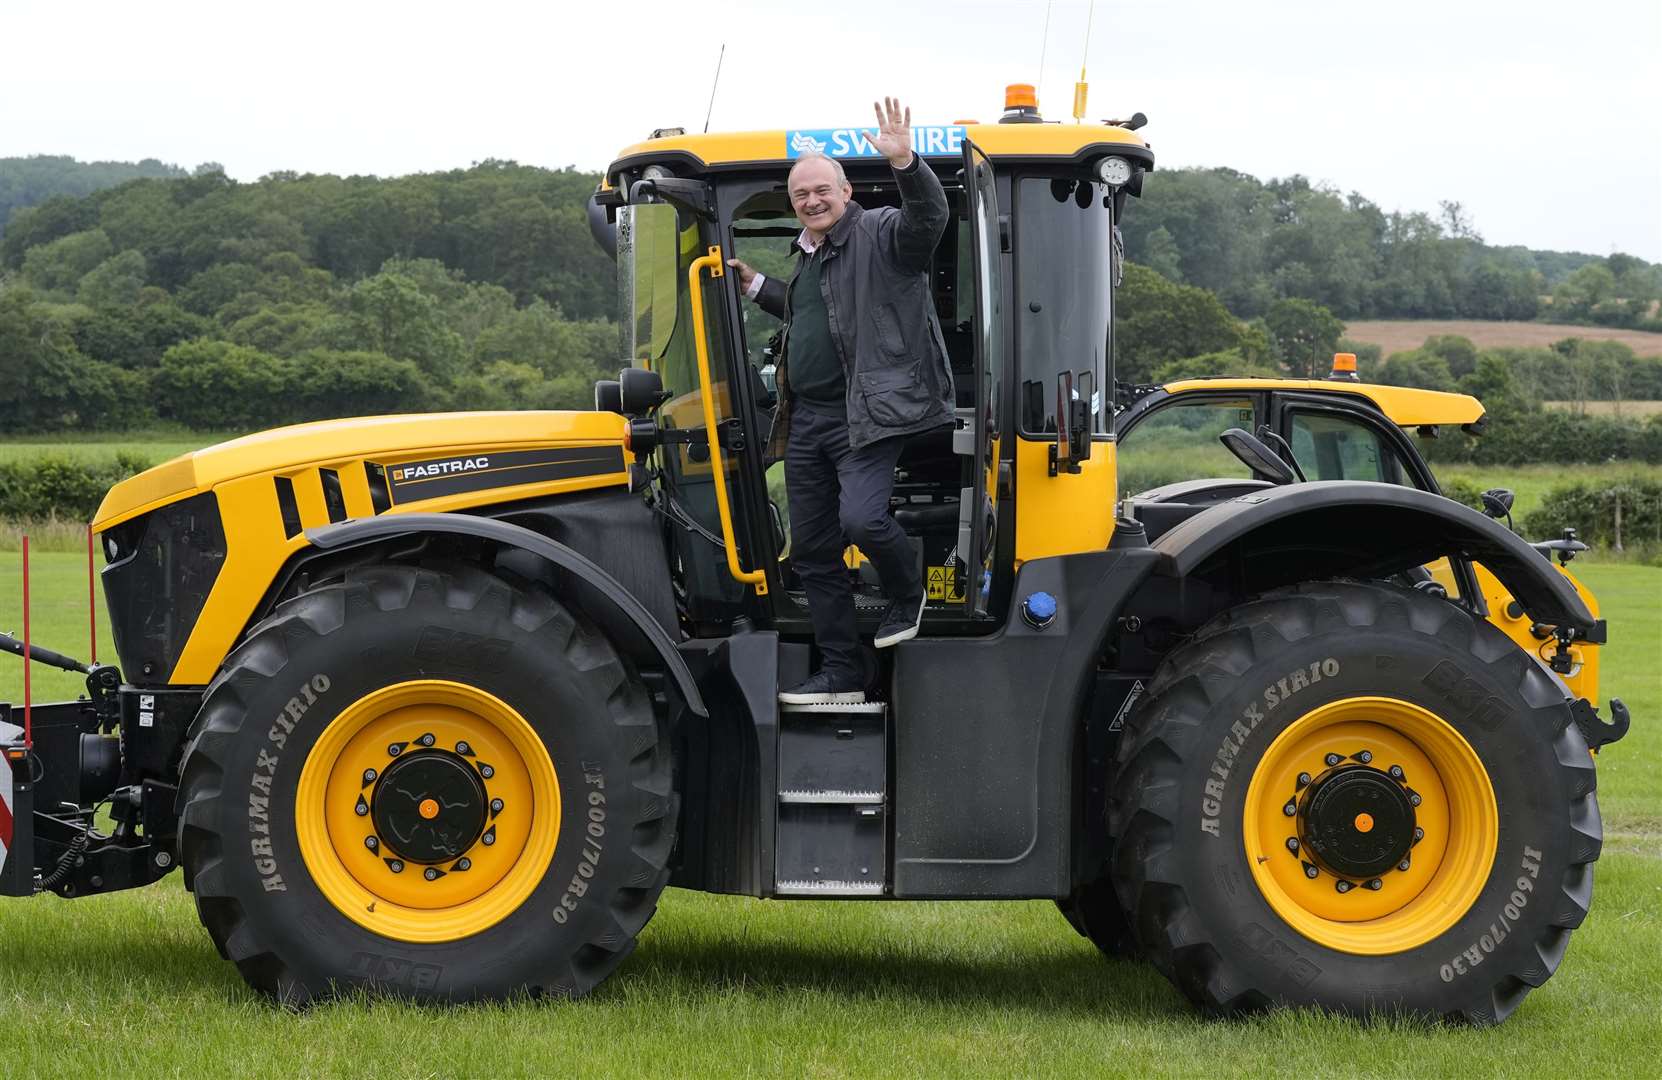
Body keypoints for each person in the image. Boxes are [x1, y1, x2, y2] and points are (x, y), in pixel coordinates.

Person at [728, 97, 953, 705]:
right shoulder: (806, 256)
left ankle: (908, 593)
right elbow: (809, 315)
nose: (812, 201)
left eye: (821, 190)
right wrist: (751, 285)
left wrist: (906, 162)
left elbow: (928, 222)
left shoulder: (881, 232)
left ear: (845, 190)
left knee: (861, 519)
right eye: (802, 195)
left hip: (867, 416)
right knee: (813, 549)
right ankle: (840, 670)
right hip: (809, 420)